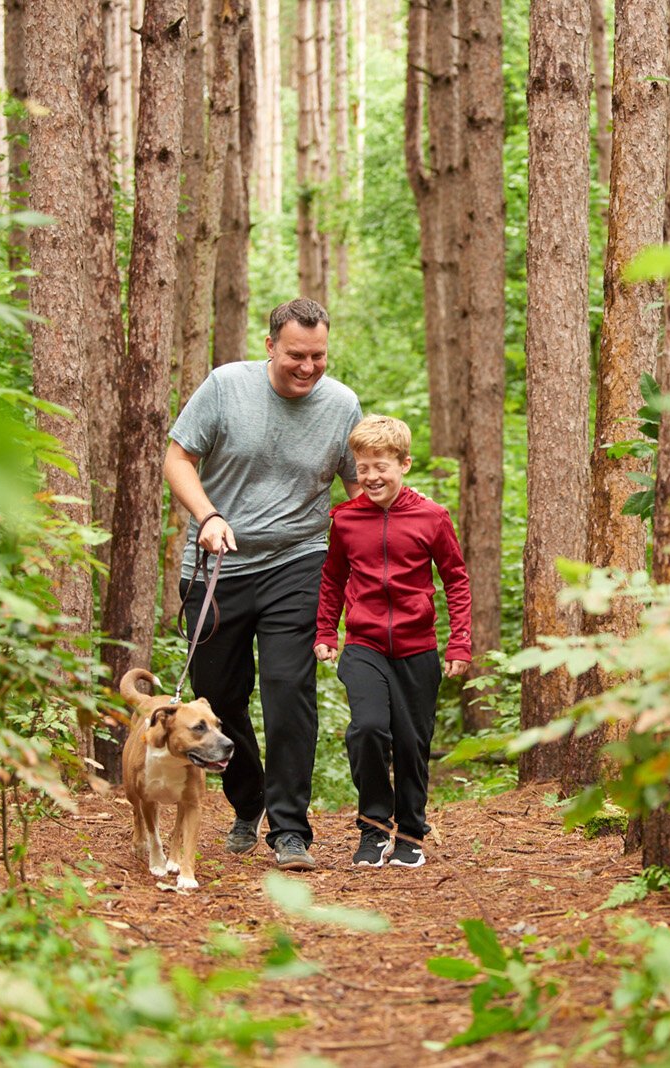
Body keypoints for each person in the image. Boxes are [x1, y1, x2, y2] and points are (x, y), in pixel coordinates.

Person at [163, 298, 362, 872]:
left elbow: (357, 489)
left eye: (318, 356)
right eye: (296, 355)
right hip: (218, 562)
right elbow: (178, 459)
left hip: (299, 560)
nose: (307, 367)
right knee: (219, 698)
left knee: (287, 687)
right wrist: (208, 516)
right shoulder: (227, 386)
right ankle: (246, 800)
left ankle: (291, 829)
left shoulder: (342, 404)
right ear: (270, 345)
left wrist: (379, 556)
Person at [313, 415, 471, 869]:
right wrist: (326, 631)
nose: (371, 477)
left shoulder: (432, 518)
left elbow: (456, 580)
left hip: (418, 647)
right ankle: (374, 829)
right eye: (363, 468)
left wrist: (459, 642)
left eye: (381, 466)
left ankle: (411, 833)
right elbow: (333, 578)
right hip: (363, 645)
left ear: (404, 464)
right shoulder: (345, 520)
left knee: (411, 743)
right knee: (366, 729)